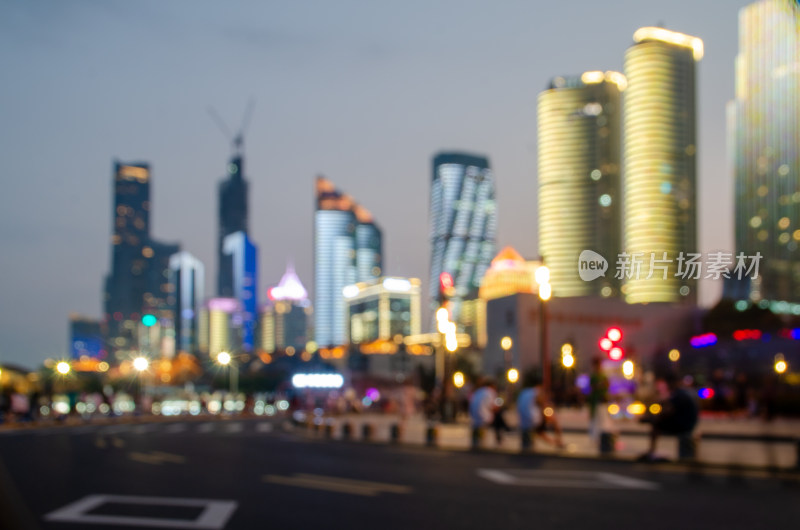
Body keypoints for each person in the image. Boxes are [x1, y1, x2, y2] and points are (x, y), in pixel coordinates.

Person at [640, 373, 699, 460]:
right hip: (688, 423)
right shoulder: (680, 393)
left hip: (684, 425)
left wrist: (651, 419)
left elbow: (668, 411)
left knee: (656, 425)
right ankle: (652, 451)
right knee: (656, 422)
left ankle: (651, 451)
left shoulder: (679, 394)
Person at [517, 377, 564, 450]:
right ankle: (558, 441)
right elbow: (541, 402)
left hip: (524, 422)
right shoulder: (536, 391)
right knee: (553, 421)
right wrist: (548, 407)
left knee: (539, 432)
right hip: (534, 419)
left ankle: (554, 442)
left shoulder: (524, 392)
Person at [468, 379, 497, 449]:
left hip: (474, 419)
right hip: (484, 418)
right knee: (498, 418)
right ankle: (498, 439)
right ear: (492, 386)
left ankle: (475, 442)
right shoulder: (490, 392)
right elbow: (492, 407)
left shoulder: (478, 391)